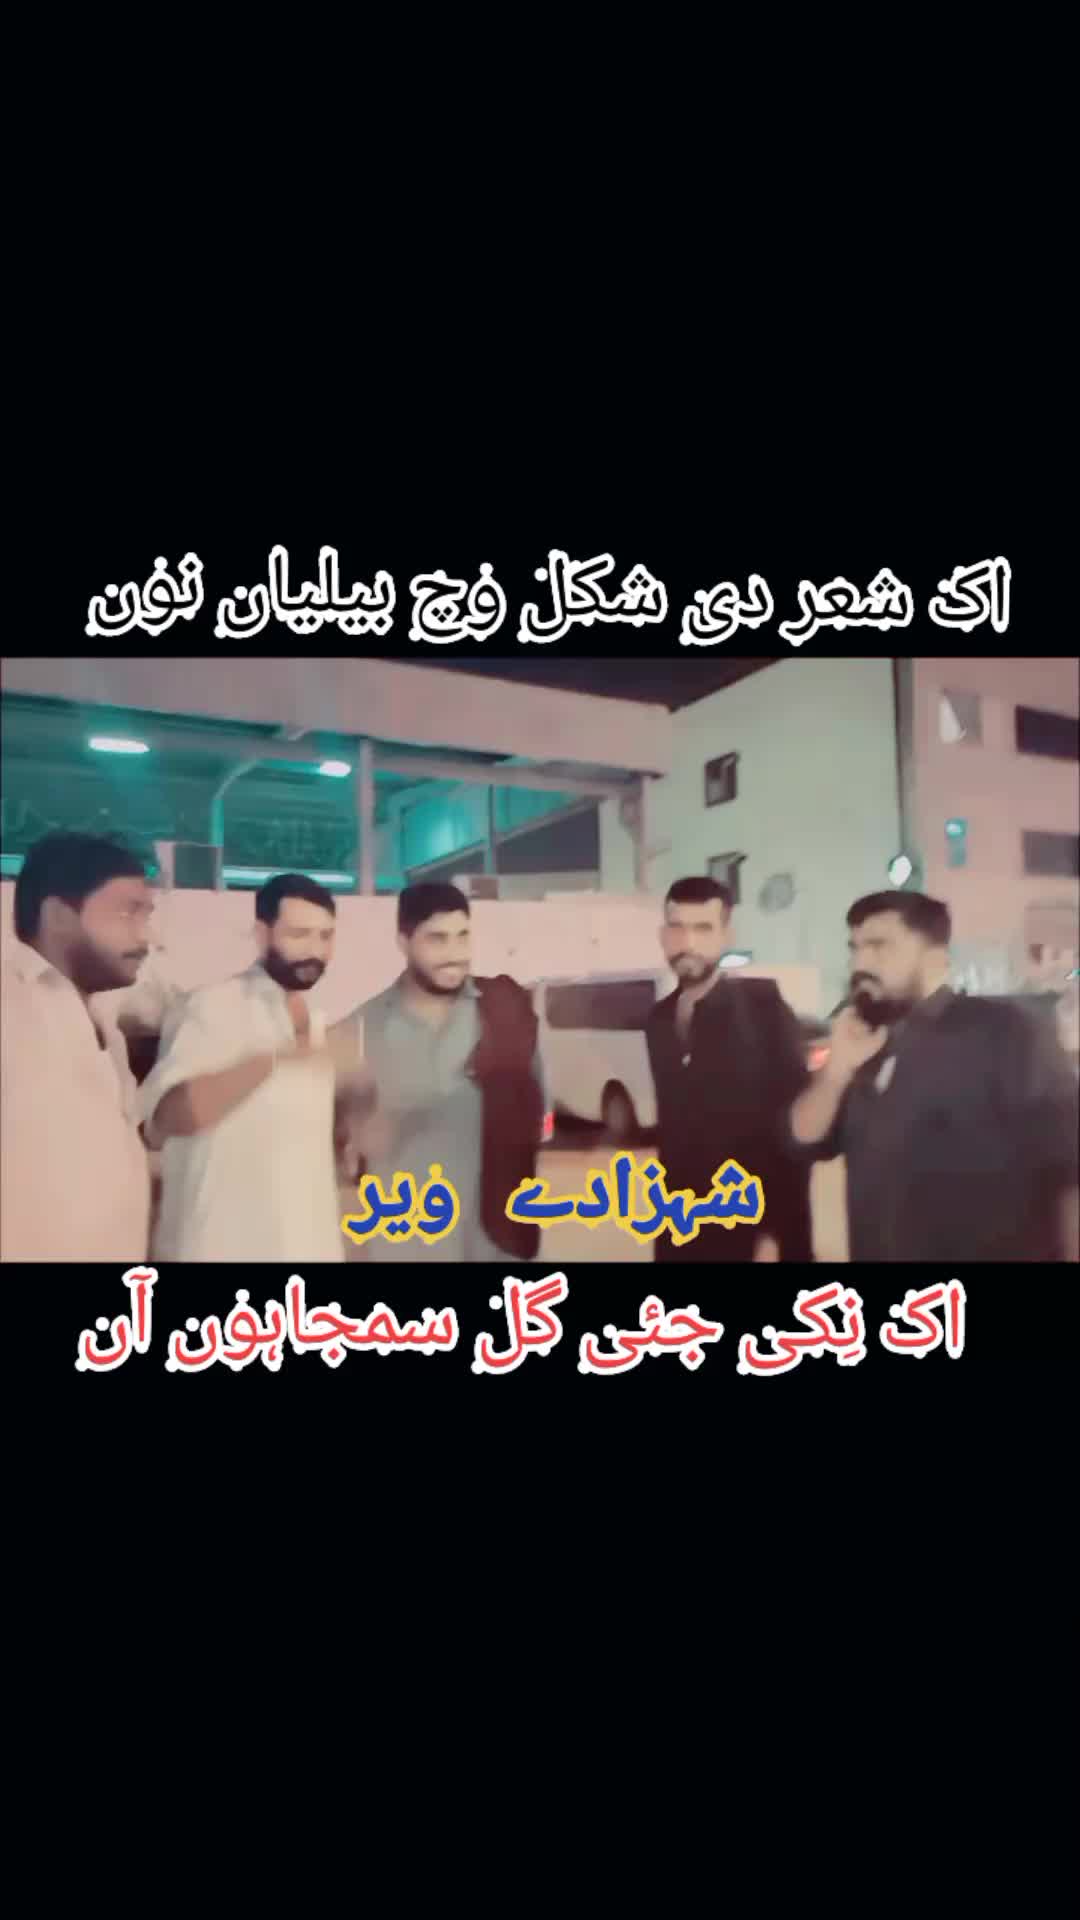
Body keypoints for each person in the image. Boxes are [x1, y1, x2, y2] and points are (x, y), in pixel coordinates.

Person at [790, 891, 1080, 1262]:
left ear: (936, 958)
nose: (860, 962)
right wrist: (836, 1070)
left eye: (879, 946)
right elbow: (802, 1140)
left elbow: (1068, 1167)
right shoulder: (864, 1045)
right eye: (855, 948)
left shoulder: (1005, 1031)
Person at [141, 873, 351, 1262]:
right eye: (300, 934)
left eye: (326, 936)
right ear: (262, 934)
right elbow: (163, 1120)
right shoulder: (212, 1005)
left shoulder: (319, 1024)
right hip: (219, 1248)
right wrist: (270, 1062)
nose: (315, 950)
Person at [331, 882, 546, 1262]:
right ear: (404, 941)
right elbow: (341, 1147)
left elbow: (535, 1111)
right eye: (437, 939)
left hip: (500, 1244)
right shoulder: (360, 1031)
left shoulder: (506, 1011)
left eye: (463, 936)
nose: (455, 954)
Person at [1, 832, 154, 1262]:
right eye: (128, 912)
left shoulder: (104, 1021)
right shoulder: (10, 1005)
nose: (147, 935)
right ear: (58, 916)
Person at [645, 876, 813, 1263]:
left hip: (750, 1235)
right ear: (663, 936)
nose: (688, 942)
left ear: (726, 936)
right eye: (677, 927)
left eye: (703, 928)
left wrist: (776, 1236)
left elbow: (791, 1136)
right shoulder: (658, 1021)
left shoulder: (763, 1010)